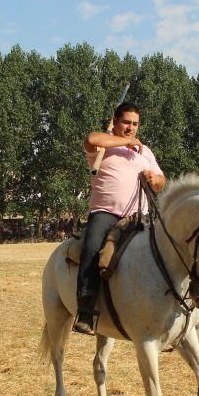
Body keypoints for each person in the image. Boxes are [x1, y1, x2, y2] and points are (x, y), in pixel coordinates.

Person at [73, 101, 166, 335]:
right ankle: (86, 312)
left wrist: (155, 181)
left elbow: (161, 181)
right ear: (115, 122)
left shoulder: (146, 152)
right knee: (92, 249)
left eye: (135, 124)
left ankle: (174, 308)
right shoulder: (103, 147)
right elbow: (92, 139)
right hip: (106, 214)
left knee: (167, 250)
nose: (131, 128)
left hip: (140, 217)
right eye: (126, 122)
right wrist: (127, 142)